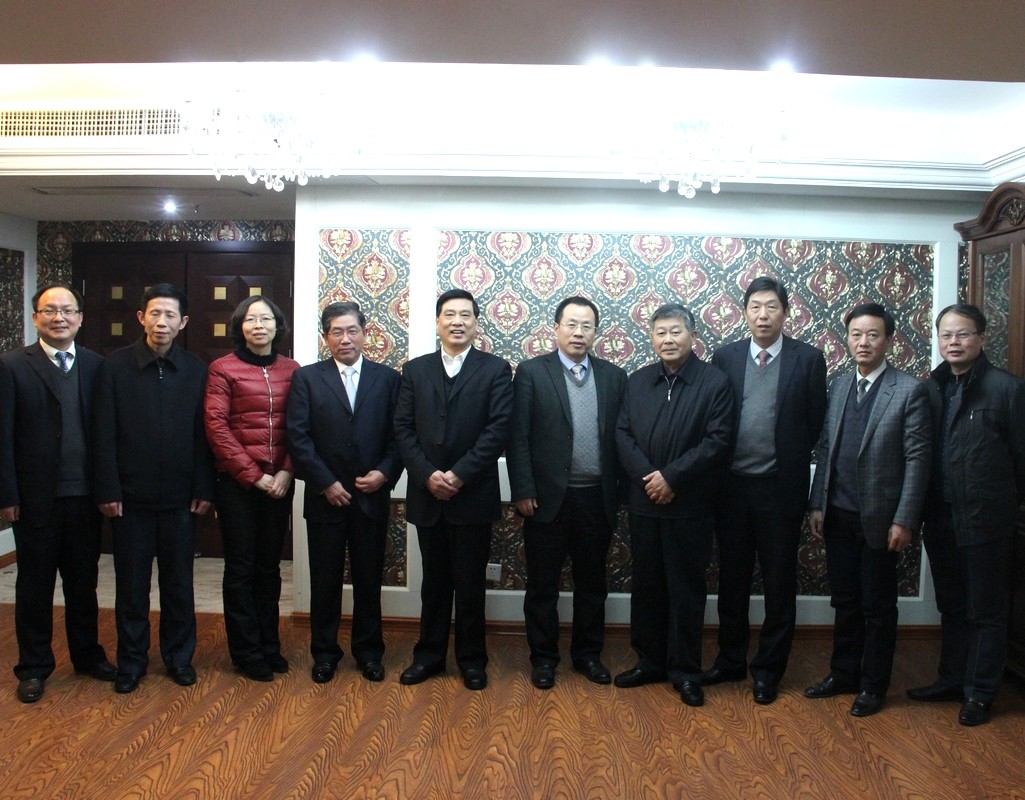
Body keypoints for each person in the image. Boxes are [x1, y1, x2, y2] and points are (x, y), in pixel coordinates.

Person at [704, 276, 827, 704]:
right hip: (731, 489)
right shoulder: (726, 357)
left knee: (779, 584)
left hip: (780, 490)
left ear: (785, 312)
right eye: (755, 307)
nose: (763, 315)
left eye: (771, 307)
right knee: (732, 581)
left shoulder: (807, 359)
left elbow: (814, 423)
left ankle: (768, 670)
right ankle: (730, 660)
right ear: (744, 312)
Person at [805, 303, 931, 717]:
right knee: (845, 600)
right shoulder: (840, 385)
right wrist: (818, 503)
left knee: (877, 606)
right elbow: (827, 447)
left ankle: (873, 685)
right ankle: (843, 673)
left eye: (873, 335)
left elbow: (917, 460)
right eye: (856, 334)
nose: (863, 342)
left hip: (881, 519)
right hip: (838, 513)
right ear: (847, 338)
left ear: (888, 340)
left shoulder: (908, 390)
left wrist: (904, 519)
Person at [93, 283, 214, 694]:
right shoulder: (114, 367)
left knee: (179, 584)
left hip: (181, 500)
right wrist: (107, 489)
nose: (162, 322)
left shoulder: (196, 369)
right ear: (141, 318)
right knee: (131, 586)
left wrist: (204, 487)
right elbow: (103, 434)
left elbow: (203, 436)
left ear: (183, 322)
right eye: (155, 314)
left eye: (170, 316)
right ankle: (132, 662)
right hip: (129, 501)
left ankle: (179, 658)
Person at [908, 303, 1025, 726]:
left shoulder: (1007, 390)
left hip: (986, 519)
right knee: (952, 604)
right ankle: (952, 679)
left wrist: (1002, 506)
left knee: (986, 610)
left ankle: (980, 693)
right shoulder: (932, 387)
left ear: (981, 338)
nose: (953, 342)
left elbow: (1021, 461)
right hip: (940, 518)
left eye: (963, 334)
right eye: (946, 335)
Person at [0, 284, 117, 703]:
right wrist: (7, 495)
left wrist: (108, 488)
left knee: (83, 584)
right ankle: (33, 667)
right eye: (49, 310)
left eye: (67, 310)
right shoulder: (12, 366)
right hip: (36, 499)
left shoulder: (97, 365)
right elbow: (3, 437)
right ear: (35, 318)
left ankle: (87, 656)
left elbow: (107, 434)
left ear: (80, 318)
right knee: (35, 586)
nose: (59, 317)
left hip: (86, 497)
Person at [613, 303, 733, 707]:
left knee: (686, 590)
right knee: (646, 585)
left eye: (675, 331)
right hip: (644, 501)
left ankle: (685, 670)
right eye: (660, 332)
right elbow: (622, 434)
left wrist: (672, 477)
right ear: (652, 337)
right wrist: (650, 478)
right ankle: (649, 662)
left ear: (692, 336)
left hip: (690, 504)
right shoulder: (637, 381)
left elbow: (717, 441)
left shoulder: (714, 383)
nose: (668, 339)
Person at [394, 288, 513, 691]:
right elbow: (402, 429)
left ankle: (472, 660)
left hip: (473, 495)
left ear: (476, 323)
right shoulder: (415, 370)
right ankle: (428, 656)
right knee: (434, 583)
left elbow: (498, 429)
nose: (457, 321)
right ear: (437, 322)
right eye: (449, 314)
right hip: (427, 494)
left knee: (470, 584)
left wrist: (459, 475)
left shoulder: (495, 370)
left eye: (465, 315)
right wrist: (428, 474)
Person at [507, 295, 627, 690]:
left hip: (597, 498)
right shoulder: (531, 372)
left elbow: (623, 437)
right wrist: (523, 489)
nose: (578, 332)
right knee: (543, 585)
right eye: (571, 324)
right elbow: (518, 436)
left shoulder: (613, 376)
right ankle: (543, 659)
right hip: (546, 499)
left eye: (586, 326)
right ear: (556, 328)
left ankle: (587, 655)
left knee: (592, 584)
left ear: (595, 332)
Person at [286, 301, 403, 684]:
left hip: (371, 497)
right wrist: (325, 483)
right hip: (325, 499)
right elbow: (298, 437)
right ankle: (324, 654)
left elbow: (400, 436)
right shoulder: (307, 378)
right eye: (336, 331)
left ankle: (369, 653)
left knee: (369, 580)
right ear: (326, 337)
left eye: (352, 330)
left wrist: (384, 474)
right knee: (324, 581)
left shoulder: (388, 379)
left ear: (365, 334)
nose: (345, 338)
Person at [204, 295, 299, 682]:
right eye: (250, 319)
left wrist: (287, 471)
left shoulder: (293, 369)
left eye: (266, 319)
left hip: (281, 482)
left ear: (278, 325)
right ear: (240, 327)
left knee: (269, 567)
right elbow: (216, 427)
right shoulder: (222, 369)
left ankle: (269, 645)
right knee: (241, 568)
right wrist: (254, 475)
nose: (259, 325)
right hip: (238, 484)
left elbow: (301, 426)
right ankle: (246, 652)